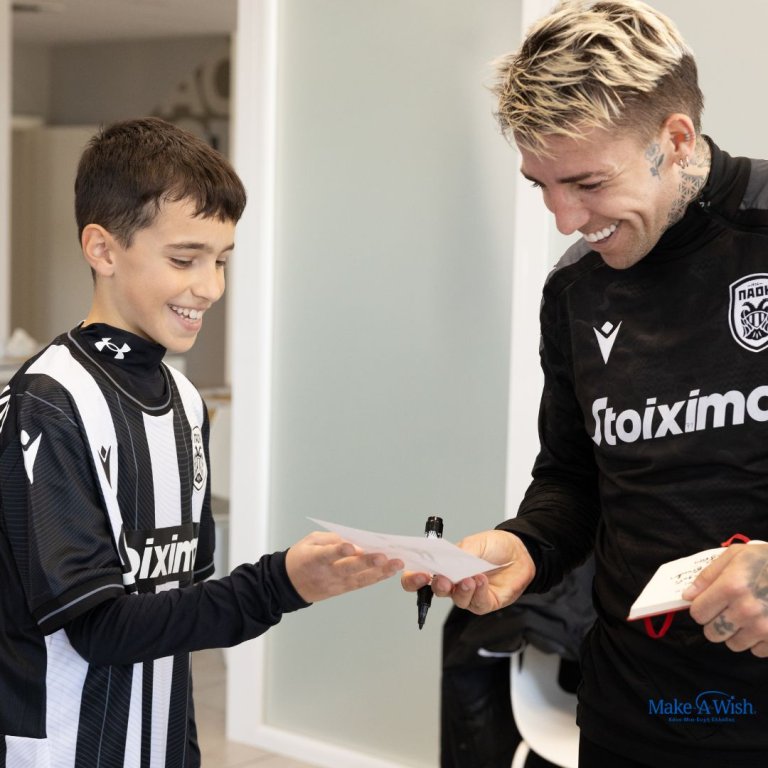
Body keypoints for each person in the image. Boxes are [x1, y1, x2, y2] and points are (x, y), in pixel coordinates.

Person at [402, 2, 768, 766]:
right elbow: (572, 477)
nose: (565, 219)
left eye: (587, 182)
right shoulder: (576, 289)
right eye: (540, 185)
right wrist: (523, 545)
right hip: (629, 711)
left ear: (675, 139)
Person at [0, 117, 403, 767]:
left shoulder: (186, 404)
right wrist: (278, 585)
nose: (211, 287)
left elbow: (175, 615)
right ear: (103, 250)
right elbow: (98, 628)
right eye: (184, 259)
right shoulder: (49, 402)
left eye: (221, 261)